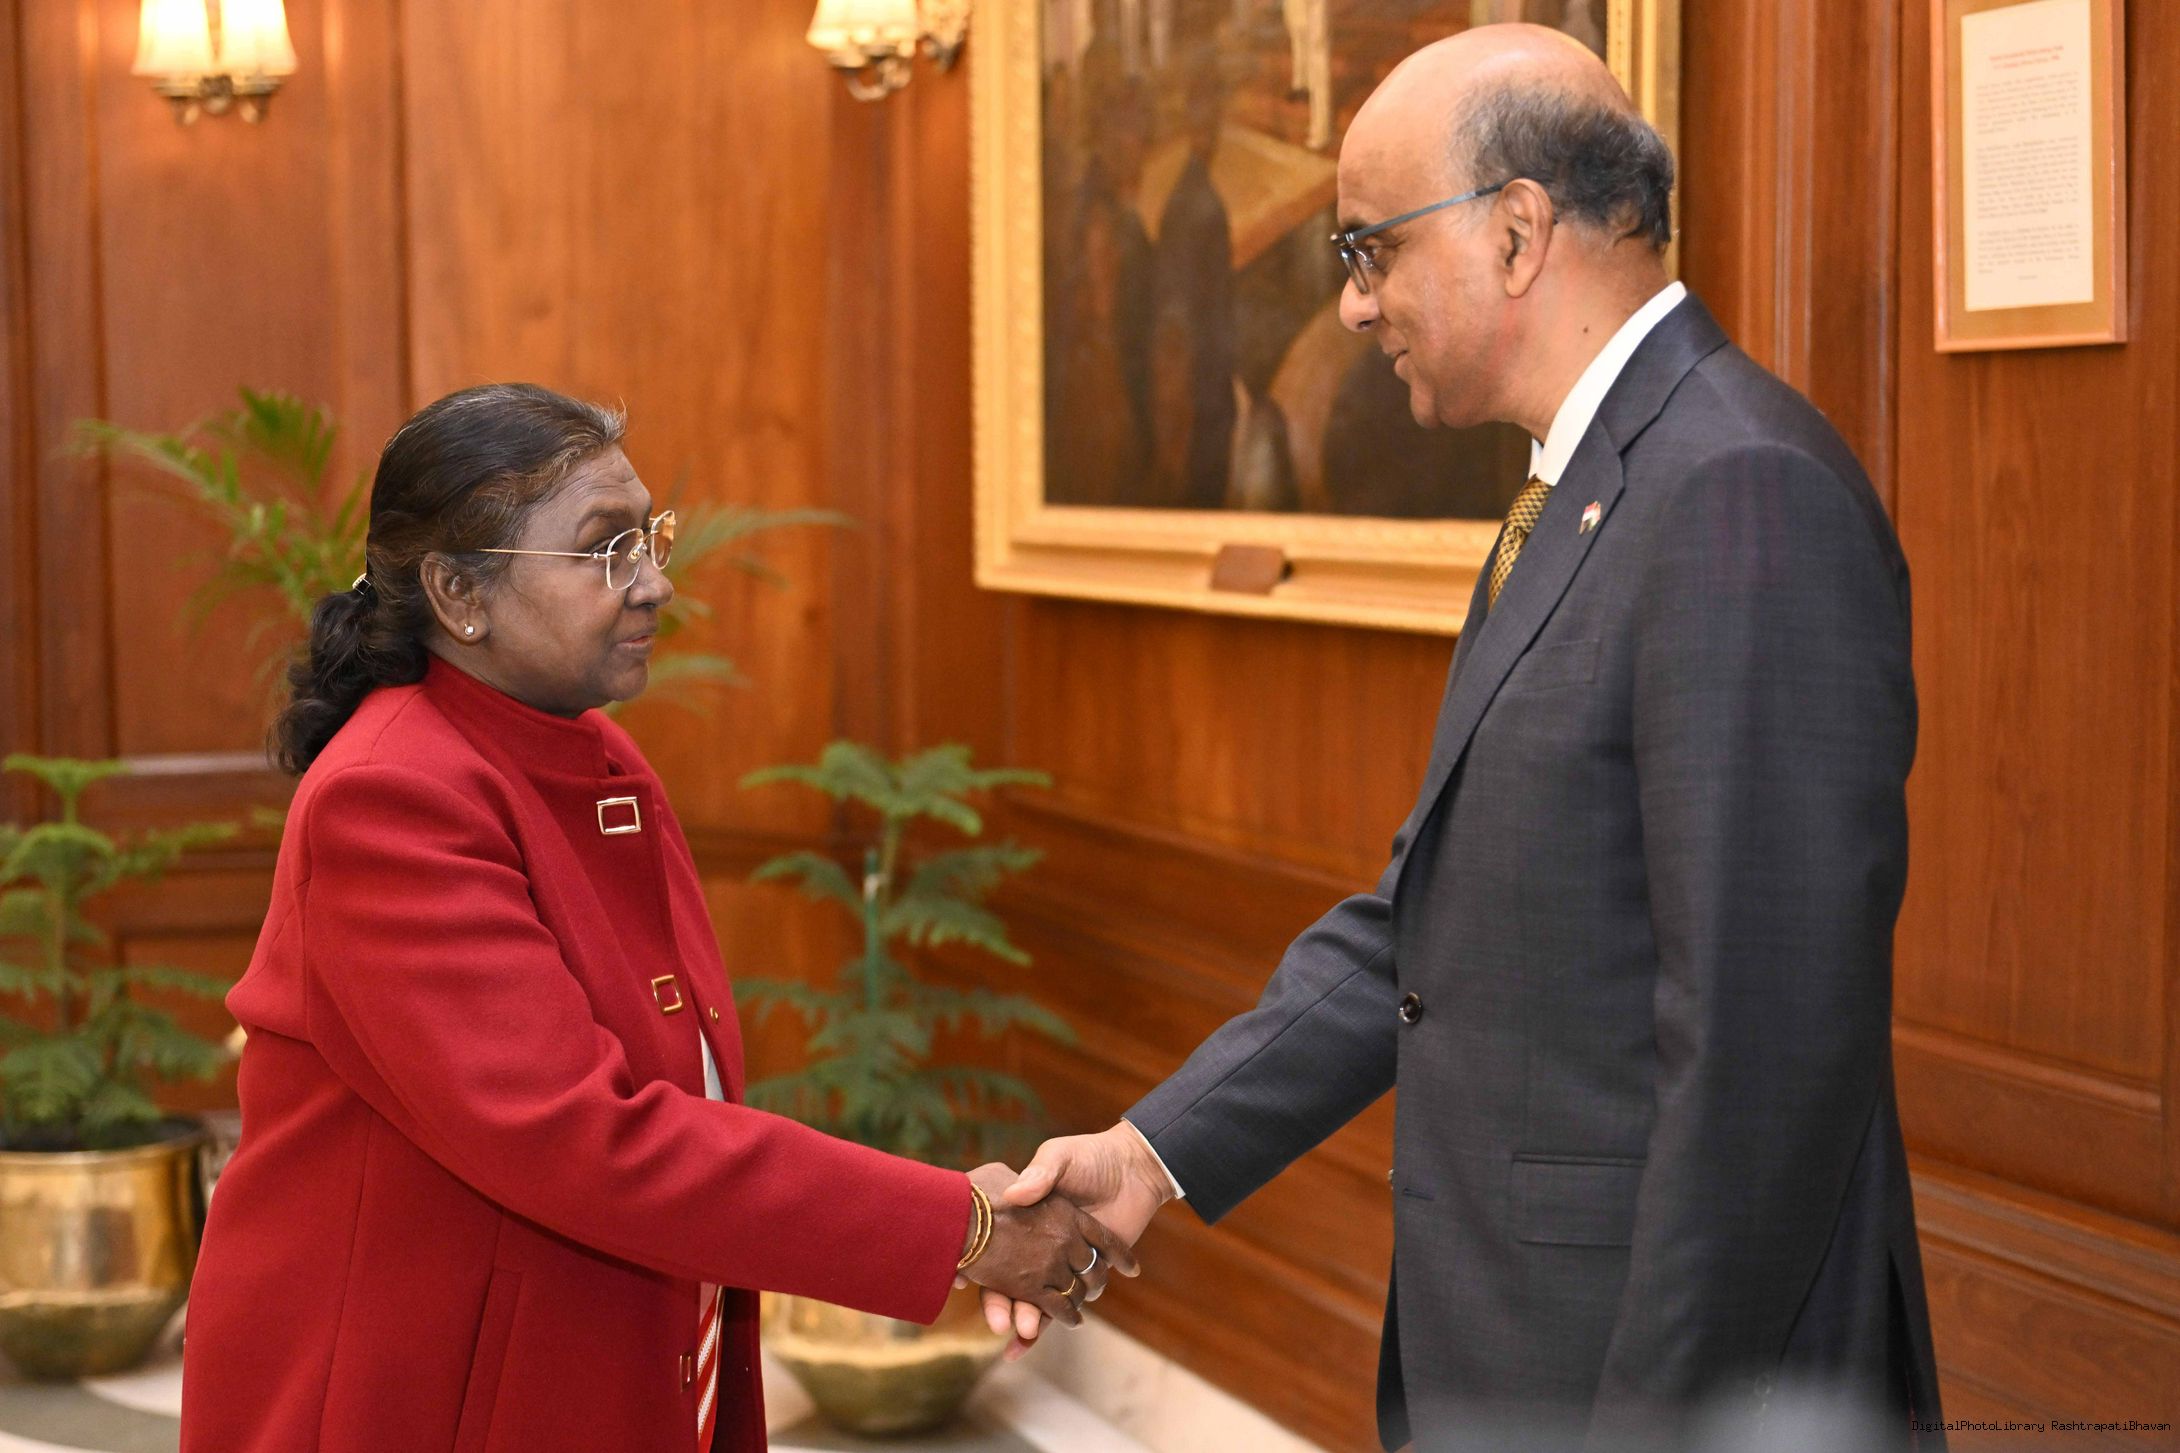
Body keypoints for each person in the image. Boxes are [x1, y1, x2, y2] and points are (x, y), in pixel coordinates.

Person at [990, 24, 1944, 1453]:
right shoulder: (1579, 489)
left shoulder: (1738, 491)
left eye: (1369, 250)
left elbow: (1762, 1066)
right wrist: (1148, 1155)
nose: (1351, 305)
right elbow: (1427, 922)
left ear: (1514, 232)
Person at [179, 384, 1134, 1453]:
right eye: (604, 548)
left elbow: (684, 1091)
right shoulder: (390, 795)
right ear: (458, 592)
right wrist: (961, 1226)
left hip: (586, 1359)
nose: (654, 582)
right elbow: (586, 1137)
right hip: (413, 1392)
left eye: (649, 537)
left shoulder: (596, 753)